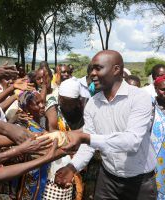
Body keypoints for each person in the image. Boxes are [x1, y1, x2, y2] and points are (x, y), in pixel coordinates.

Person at [55, 50, 157, 200]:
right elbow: (88, 146)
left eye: (98, 68)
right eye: (91, 69)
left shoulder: (139, 98)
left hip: (139, 182)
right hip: (107, 178)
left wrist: (86, 138)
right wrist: (72, 167)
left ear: (116, 69)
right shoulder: (92, 104)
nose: (92, 73)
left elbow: (132, 141)